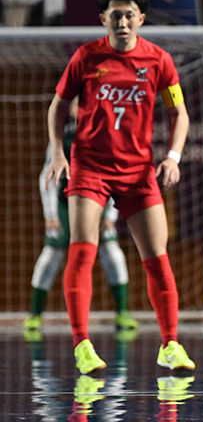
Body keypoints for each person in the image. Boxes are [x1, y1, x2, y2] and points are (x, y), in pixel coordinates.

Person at [46, 0, 195, 374]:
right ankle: (82, 345)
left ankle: (170, 345)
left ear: (141, 18)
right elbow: (58, 106)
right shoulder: (86, 57)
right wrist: (58, 152)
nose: (123, 22)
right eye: (116, 15)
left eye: (130, 15)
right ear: (104, 19)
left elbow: (179, 113)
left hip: (138, 171)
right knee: (82, 250)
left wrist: (173, 157)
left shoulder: (159, 60)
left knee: (157, 256)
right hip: (90, 167)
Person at [25, 98, 138, 340]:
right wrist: (51, 215)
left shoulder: (108, 136)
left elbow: (115, 176)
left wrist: (111, 214)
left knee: (112, 254)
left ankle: (122, 313)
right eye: (80, 105)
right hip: (66, 206)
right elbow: (47, 175)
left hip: (98, 204)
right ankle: (35, 315)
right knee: (51, 256)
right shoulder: (62, 138)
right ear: (73, 110)